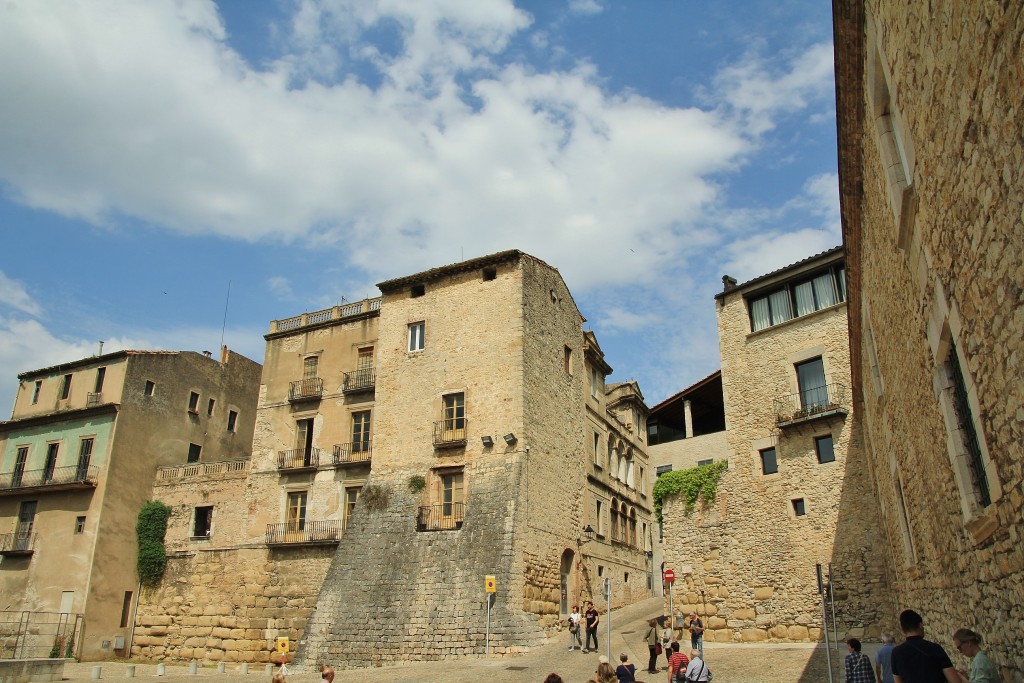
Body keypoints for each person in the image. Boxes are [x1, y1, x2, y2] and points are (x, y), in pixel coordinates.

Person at [891, 609, 958, 683]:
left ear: (902, 629)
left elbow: (897, 681)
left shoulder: (896, 653)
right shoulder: (935, 649)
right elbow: (954, 680)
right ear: (920, 625)